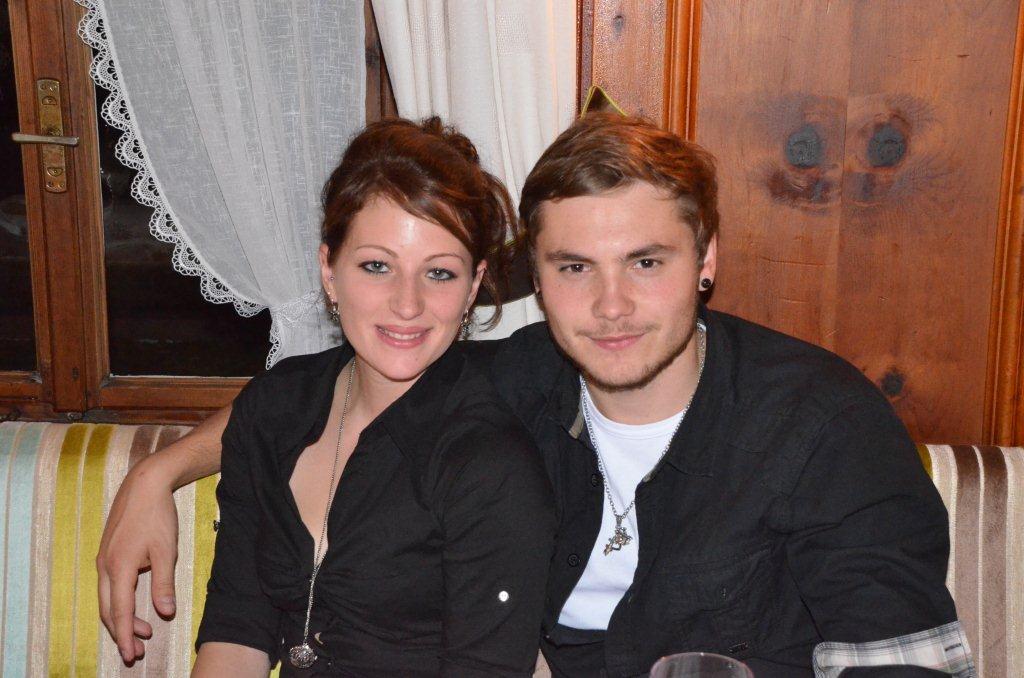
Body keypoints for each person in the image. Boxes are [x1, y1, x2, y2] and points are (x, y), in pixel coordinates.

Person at [99, 113, 970, 677]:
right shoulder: (520, 378)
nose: (612, 306)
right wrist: (157, 472)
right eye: (575, 268)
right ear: (535, 282)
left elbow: (901, 660)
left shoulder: (823, 425)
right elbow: (310, 393)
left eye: (646, 262)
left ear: (706, 258)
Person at [188, 117, 555, 677]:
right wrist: (153, 473)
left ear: (473, 287)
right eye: (377, 266)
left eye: (439, 273)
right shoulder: (275, 407)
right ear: (329, 270)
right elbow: (236, 630)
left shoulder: (489, 462)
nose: (407, 304)